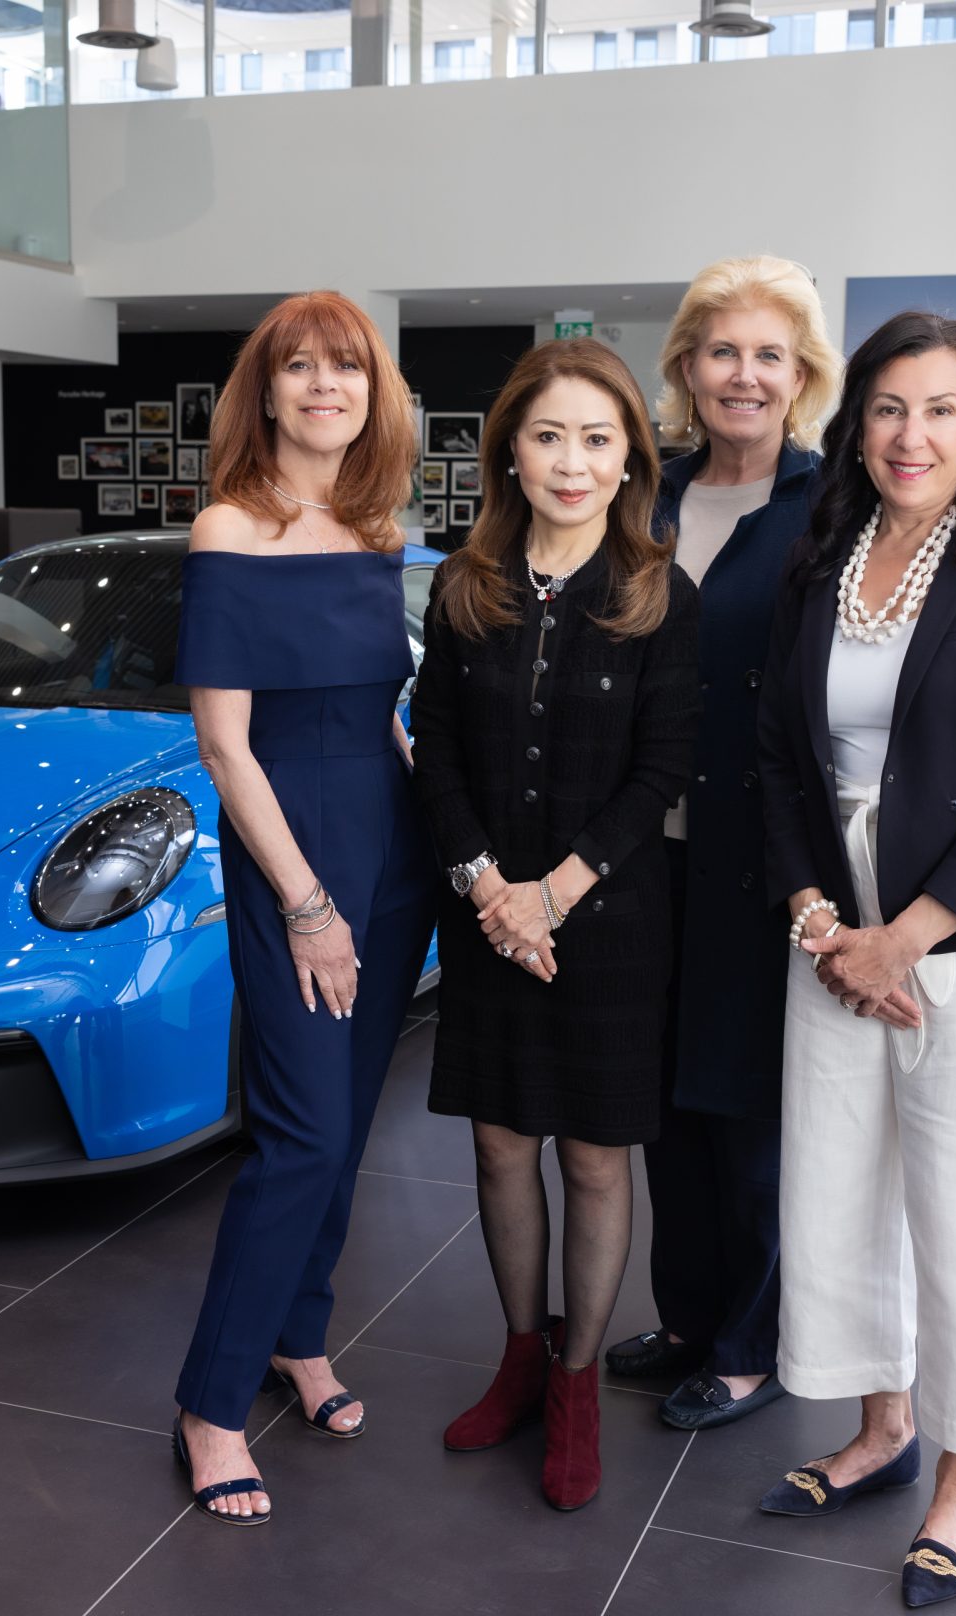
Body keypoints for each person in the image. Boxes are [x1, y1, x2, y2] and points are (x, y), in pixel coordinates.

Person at [754, 311, 956, 1607]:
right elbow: (781, 759)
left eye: (942, 409)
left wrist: (899, 939)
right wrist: (817, 918)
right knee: (838, 1191)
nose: (912, 435)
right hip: (828, 932)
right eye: (890, 407)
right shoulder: (818, 562)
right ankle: (882, 1427)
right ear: (858, 427)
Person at [408, 338, 700, 1512]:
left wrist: (552, 893)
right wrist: (489, 888)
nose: (571, 462)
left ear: (629, 458)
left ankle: (576, 1384)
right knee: (498, 1143)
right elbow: (435, 752)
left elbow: (662, 769)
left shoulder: (658, 594)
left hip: (610, 922)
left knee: (591, 1155)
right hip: (487, 918)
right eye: (547, 437)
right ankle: (521, 1356)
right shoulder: (463, 585)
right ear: (510, 455)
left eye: (595, 438)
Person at [170, 292, 439, 1526]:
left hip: (390, 839)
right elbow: (225, 748)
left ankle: (300, 1336)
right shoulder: (229, 527)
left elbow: (379, 713)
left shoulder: (374, 529)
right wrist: (307, 902)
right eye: (300, 367)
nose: (326, 385)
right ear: (265, 392)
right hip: (296, 852)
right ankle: (211, 1402)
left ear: (373, 394)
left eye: (347, 367)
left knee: (349, 1119)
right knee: (303, 1134)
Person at [606, 256, 842, 1435]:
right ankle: (690, 1315)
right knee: (665, 1100)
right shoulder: (646, 496)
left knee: (747, 1109)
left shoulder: (832, 502)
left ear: (801, 377)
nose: (743, 375)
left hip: (764, 852)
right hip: (646, 851)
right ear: (687, 368)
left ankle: (752, 1343)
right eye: (721, 352)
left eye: (768, 355)